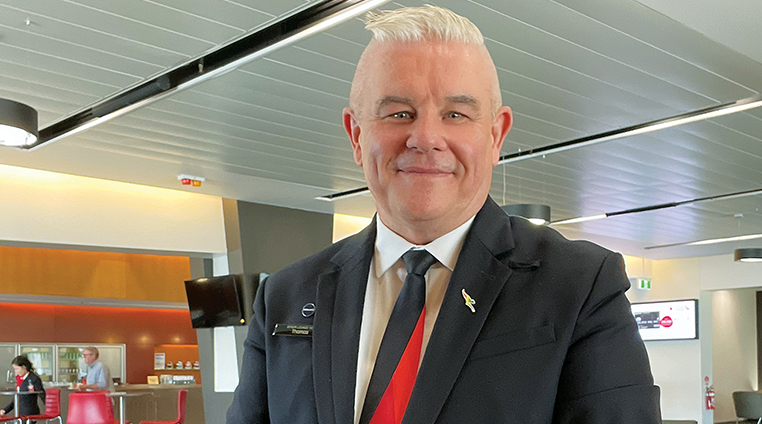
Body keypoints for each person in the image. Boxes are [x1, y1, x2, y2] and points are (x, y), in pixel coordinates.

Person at [227, 5, 661, 424]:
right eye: (399, 113)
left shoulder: (580, 285)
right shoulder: (285, 295)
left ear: (496, 135)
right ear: (357, 135)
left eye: (456, 114)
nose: (426, 137)